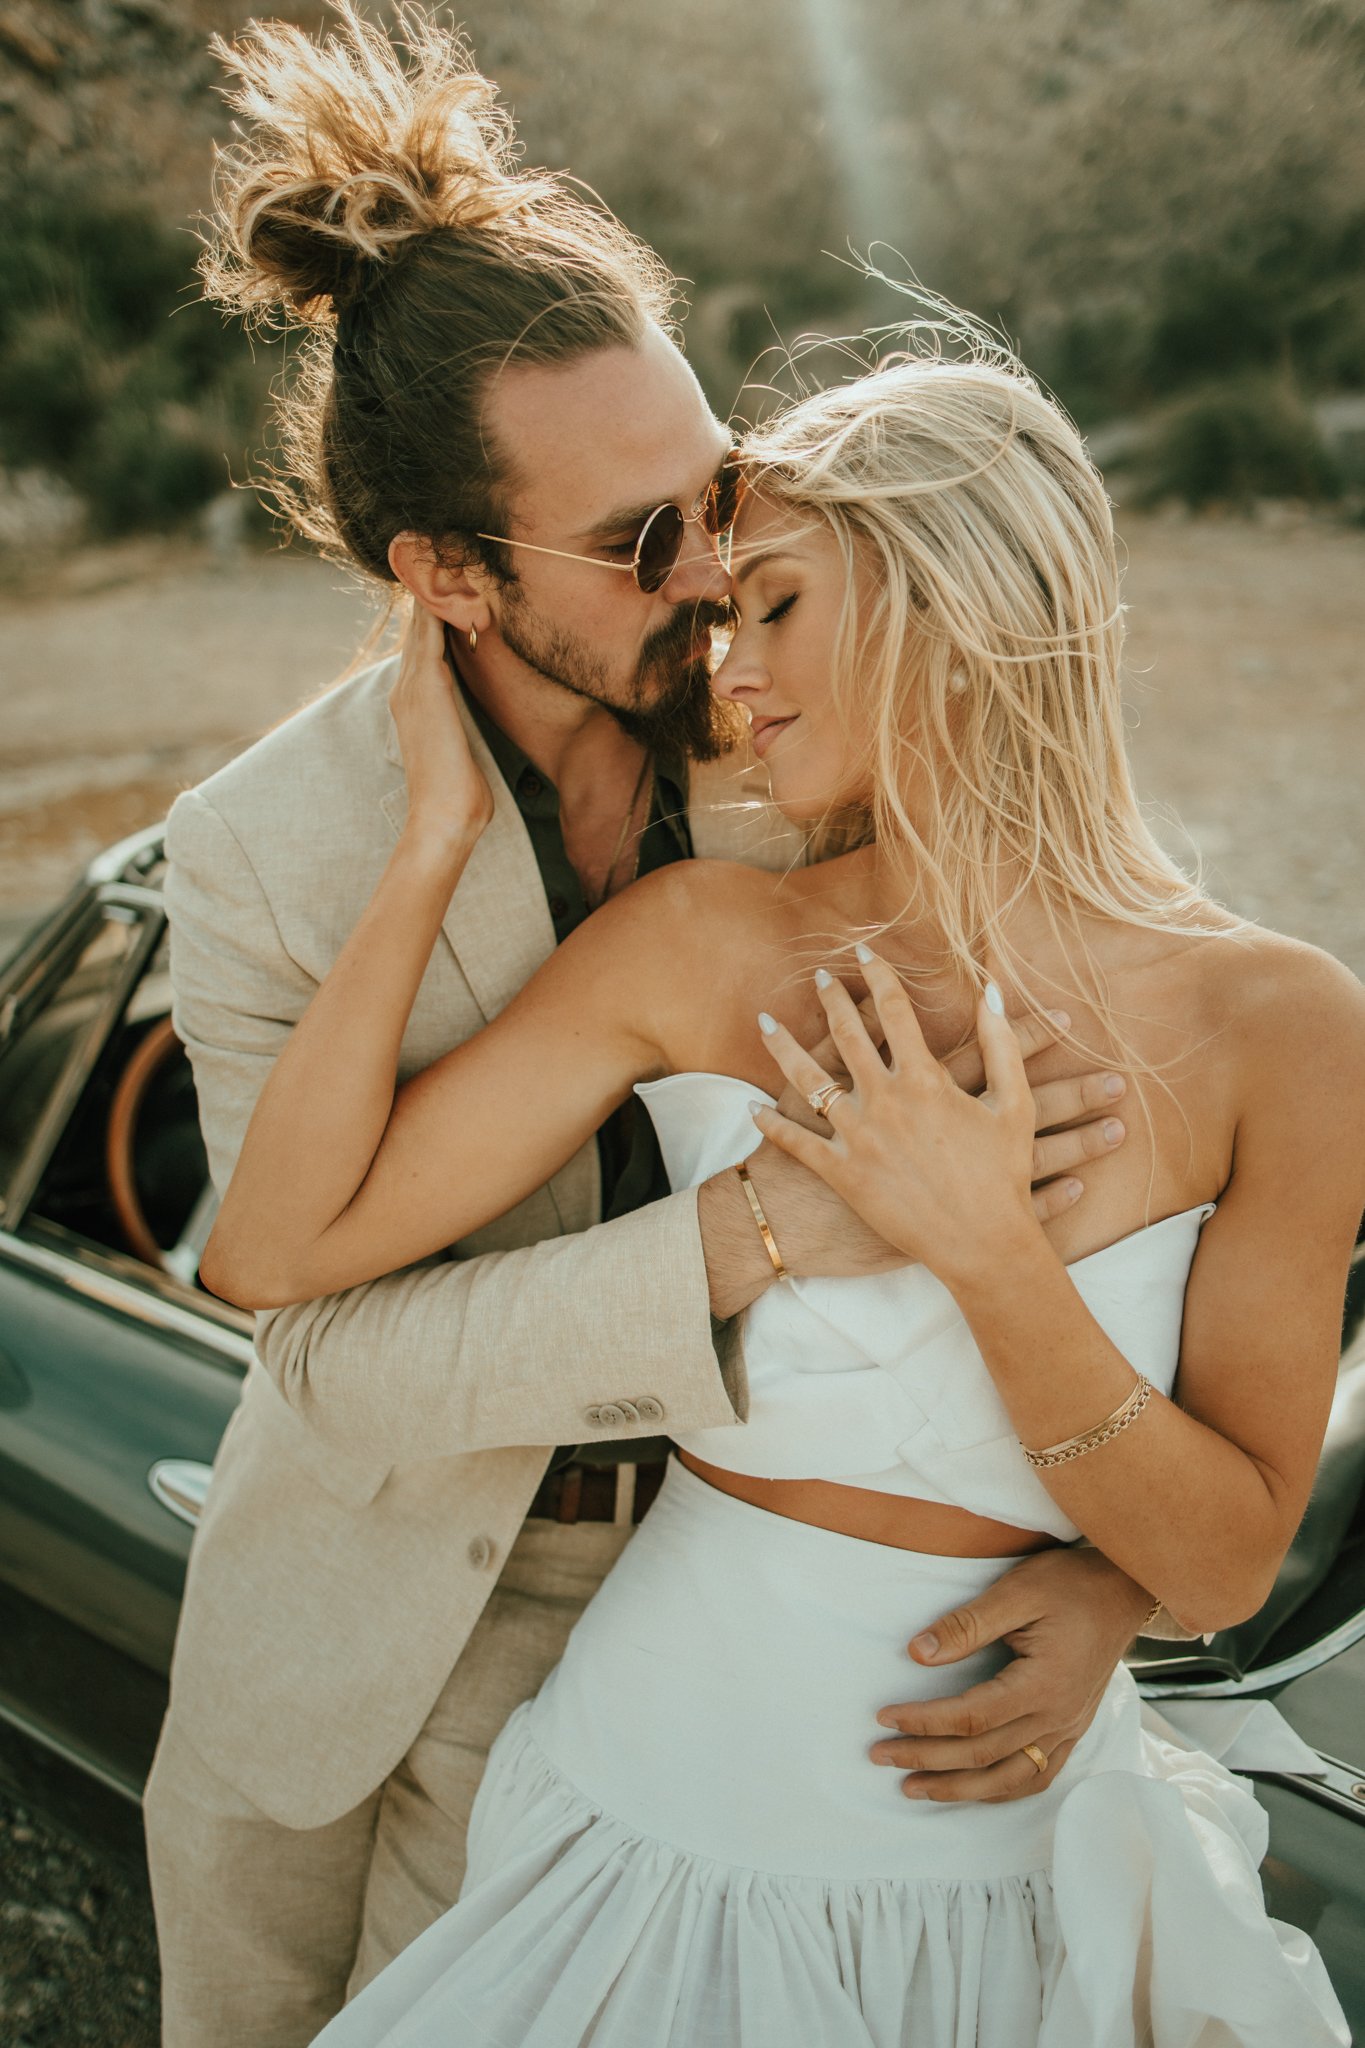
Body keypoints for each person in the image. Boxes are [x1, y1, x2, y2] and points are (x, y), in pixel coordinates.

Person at [144, 10, 1164, 2044]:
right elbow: (315, 1349)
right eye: (634, 543)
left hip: (692, 1652)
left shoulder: (807, 739)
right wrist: (755, 1227)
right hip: (339, 1646)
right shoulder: (260, 849)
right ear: (440, 570)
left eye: (709, 493)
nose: (711, 575)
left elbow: (1121, 1148)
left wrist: (1118, 1580)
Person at [200, 317, 1363, 2039]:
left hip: (1011, 1858)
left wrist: (989, 1257)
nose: (724, 663)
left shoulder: (1284, 1023)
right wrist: (431, 828)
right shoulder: (697, 938)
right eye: (720, 609)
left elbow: (1218, 1570)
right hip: (645, 1802)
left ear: (961, 600)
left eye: (778, 604)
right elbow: (279, 1252)